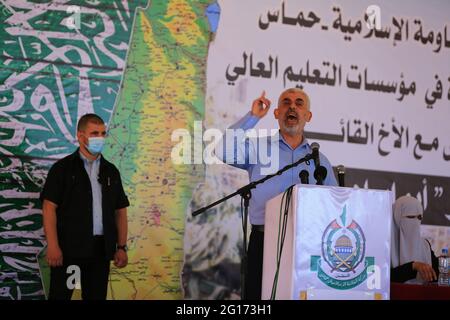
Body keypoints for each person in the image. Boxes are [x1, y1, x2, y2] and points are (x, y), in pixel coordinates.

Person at [216, 88, 337, 299]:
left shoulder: (320, 160)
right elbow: (223, 151)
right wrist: (252, 117)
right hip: (263, 242)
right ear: (277, 113)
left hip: (307, 246)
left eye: (299, 103)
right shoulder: (259, 148)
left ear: (308, 116)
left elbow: (334, 205)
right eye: (286, 102)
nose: (292, 106)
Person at [40, 113, 130, 300]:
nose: (100, 138)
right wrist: (53, 246)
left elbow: (120, 211)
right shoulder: (62, 169)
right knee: (60, 297)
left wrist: (121, 247)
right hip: (68, 251)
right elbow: (49, 207)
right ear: (81, 136)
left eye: (103, 133)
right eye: (94, 133)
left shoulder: (111, 171)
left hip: (100, 251)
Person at [391, 195, 438, 283]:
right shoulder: (386, 245)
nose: (416, 222)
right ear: (397, 217)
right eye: (411, 217)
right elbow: (381, 277)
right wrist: (413, 266)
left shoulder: (424, 245)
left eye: (419, 217)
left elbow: (434, 273)